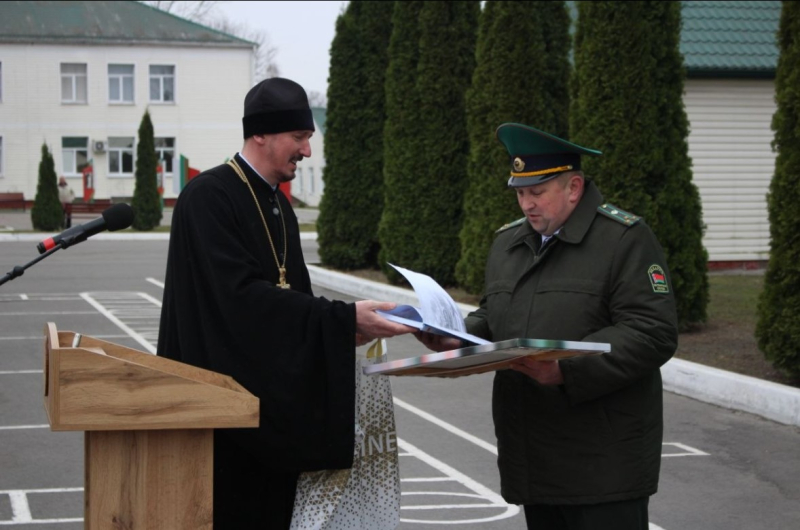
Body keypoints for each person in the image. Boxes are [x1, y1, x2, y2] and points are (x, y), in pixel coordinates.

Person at [157, 77, 413, 529]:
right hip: (220, 423)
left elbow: (293, 301)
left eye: (308, 140)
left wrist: (345, 330)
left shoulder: (279, 206)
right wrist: (337, 318)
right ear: (261, 133)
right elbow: (236, 304)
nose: (307, 151)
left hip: (268, 418)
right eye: (299, 138)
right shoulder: (208, 199)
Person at [417, 123, 678, 530]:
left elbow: (652, 331)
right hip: (534, 458)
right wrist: (456, 334)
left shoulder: (624, 239)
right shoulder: (508, 244)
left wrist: (565, 370)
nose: (526, 205)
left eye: (537, 193)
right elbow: (495, 316)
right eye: (520, 193)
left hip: (603, 464)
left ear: (573, 187)